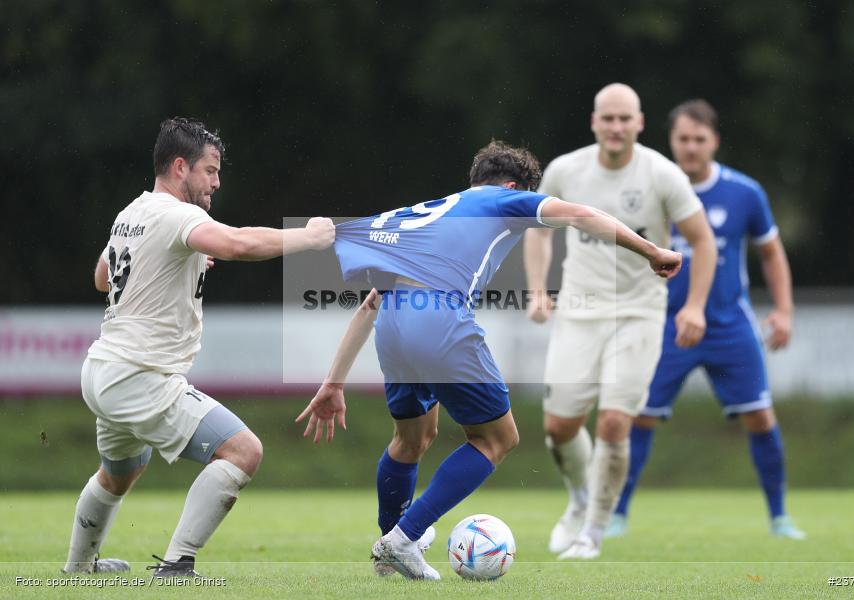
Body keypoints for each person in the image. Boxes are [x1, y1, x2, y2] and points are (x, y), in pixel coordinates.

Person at [294, 140, 683, 580]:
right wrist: (652, 252)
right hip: (438, 317)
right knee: (496, 439)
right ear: (516, 186)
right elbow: (583, 215)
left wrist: (333, 382)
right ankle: (404, 538)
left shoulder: (432, 211)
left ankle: (393, 548)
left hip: (395, 322)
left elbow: (371, 304)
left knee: (412, 438)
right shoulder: (504, 199)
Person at [64, 117, 335, 577]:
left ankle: (77, 568)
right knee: (243, 451)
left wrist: (175, 259)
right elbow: (236, 243)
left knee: (120, 473)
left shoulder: (132, 212)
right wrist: (308, 239)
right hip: (138, 375)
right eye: (209, 170)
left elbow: (102, 277)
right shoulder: (179, 216)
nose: (216, 181)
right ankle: (176, 564)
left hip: (102, 370)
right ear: (178, 168)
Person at [523, 83, 718, 560]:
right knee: (559, 427)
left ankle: (594, 530)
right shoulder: (566, 170)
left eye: (623, 119)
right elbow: (537, 231)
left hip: (639, 313)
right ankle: (579, 499)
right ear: (594, 121)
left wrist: (693, 306)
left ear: (639, 123)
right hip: (579, 311)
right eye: (606, 118)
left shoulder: (662, 174)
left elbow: (703, 241)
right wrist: (538, 288)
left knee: (613, 421)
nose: (615, 127)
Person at [608, 99, 805, 540]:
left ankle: (779, 518)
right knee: (639, 417)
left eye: (700, 139)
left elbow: (771, 252)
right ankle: (616, 516)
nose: (691, 147)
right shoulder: (650, 191)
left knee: (760, 417)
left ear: (714, 140)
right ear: (671, 141)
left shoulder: (744, 193)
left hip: (729, 324)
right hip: (663, 324)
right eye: (683, 139)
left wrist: (784, 310)